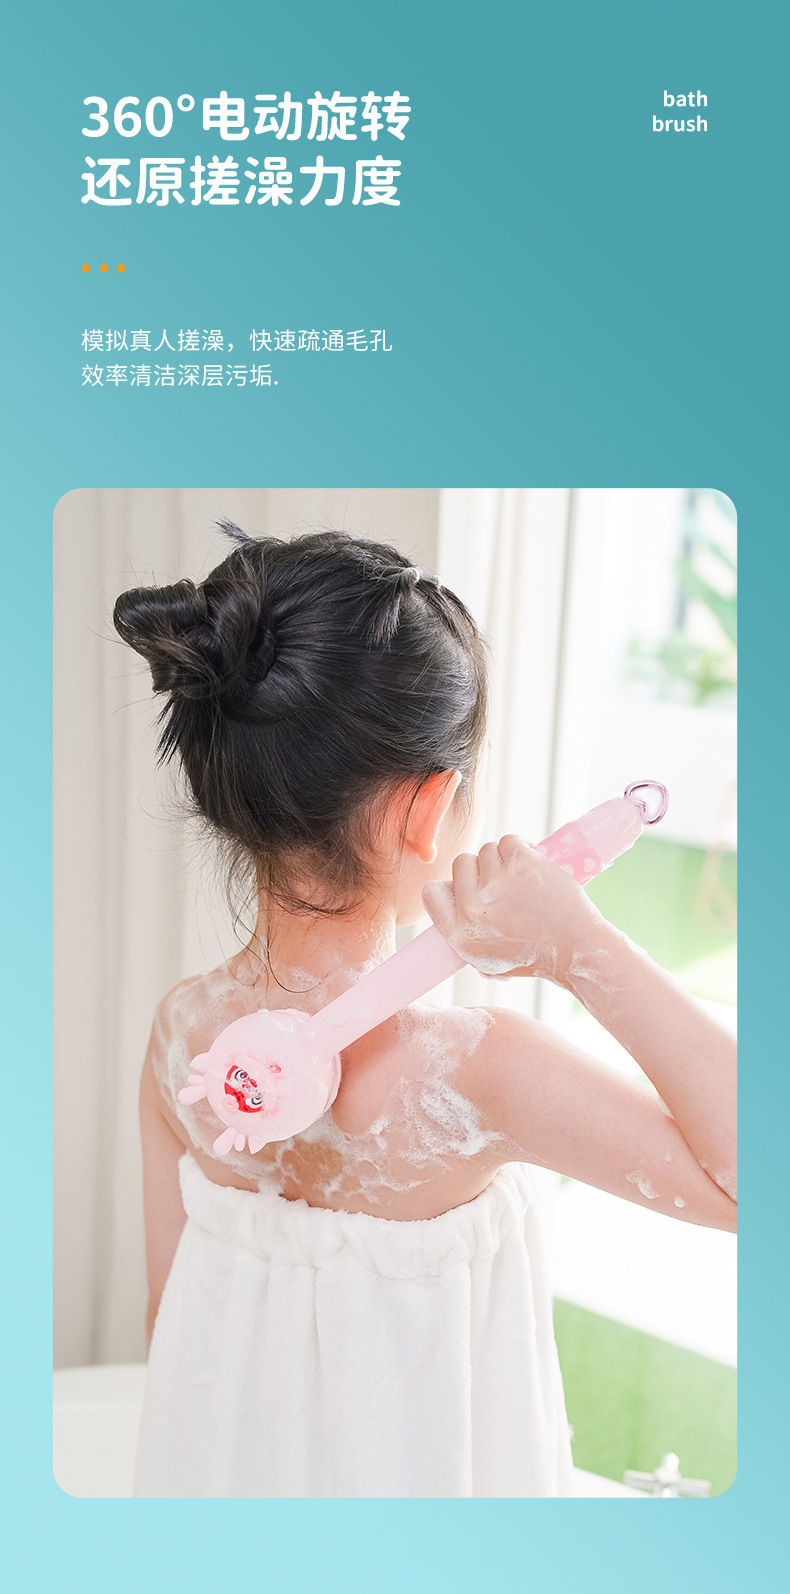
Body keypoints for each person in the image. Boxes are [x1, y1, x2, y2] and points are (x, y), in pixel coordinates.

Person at [115, 526, 736, 1499]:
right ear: (428, 809)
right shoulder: (481, 1073)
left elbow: (172, 1321)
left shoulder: (181, 1033)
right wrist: (580, 947)